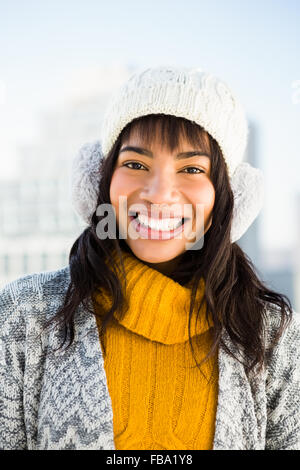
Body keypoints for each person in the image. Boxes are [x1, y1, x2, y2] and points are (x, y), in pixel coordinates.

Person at [0, 66, 299, 451]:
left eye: (191, 169)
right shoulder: (25, 316)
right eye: (136, 164)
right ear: (100, 178)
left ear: (227, 195)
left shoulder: (269, 336)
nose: (159, 195)